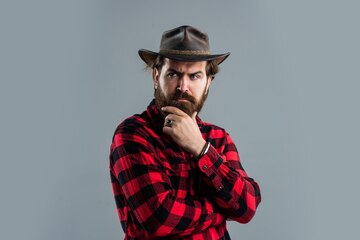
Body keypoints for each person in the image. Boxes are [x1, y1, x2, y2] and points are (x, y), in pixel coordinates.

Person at [109, 25, 261, 240]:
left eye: (195, 76)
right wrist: (221, 211)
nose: (183, 86)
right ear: (156, 76)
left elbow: (247, 206)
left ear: (208, 83)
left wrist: (201, 149)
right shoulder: (133, 134)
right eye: (173, 74)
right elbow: (159, 219)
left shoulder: (218, 138)